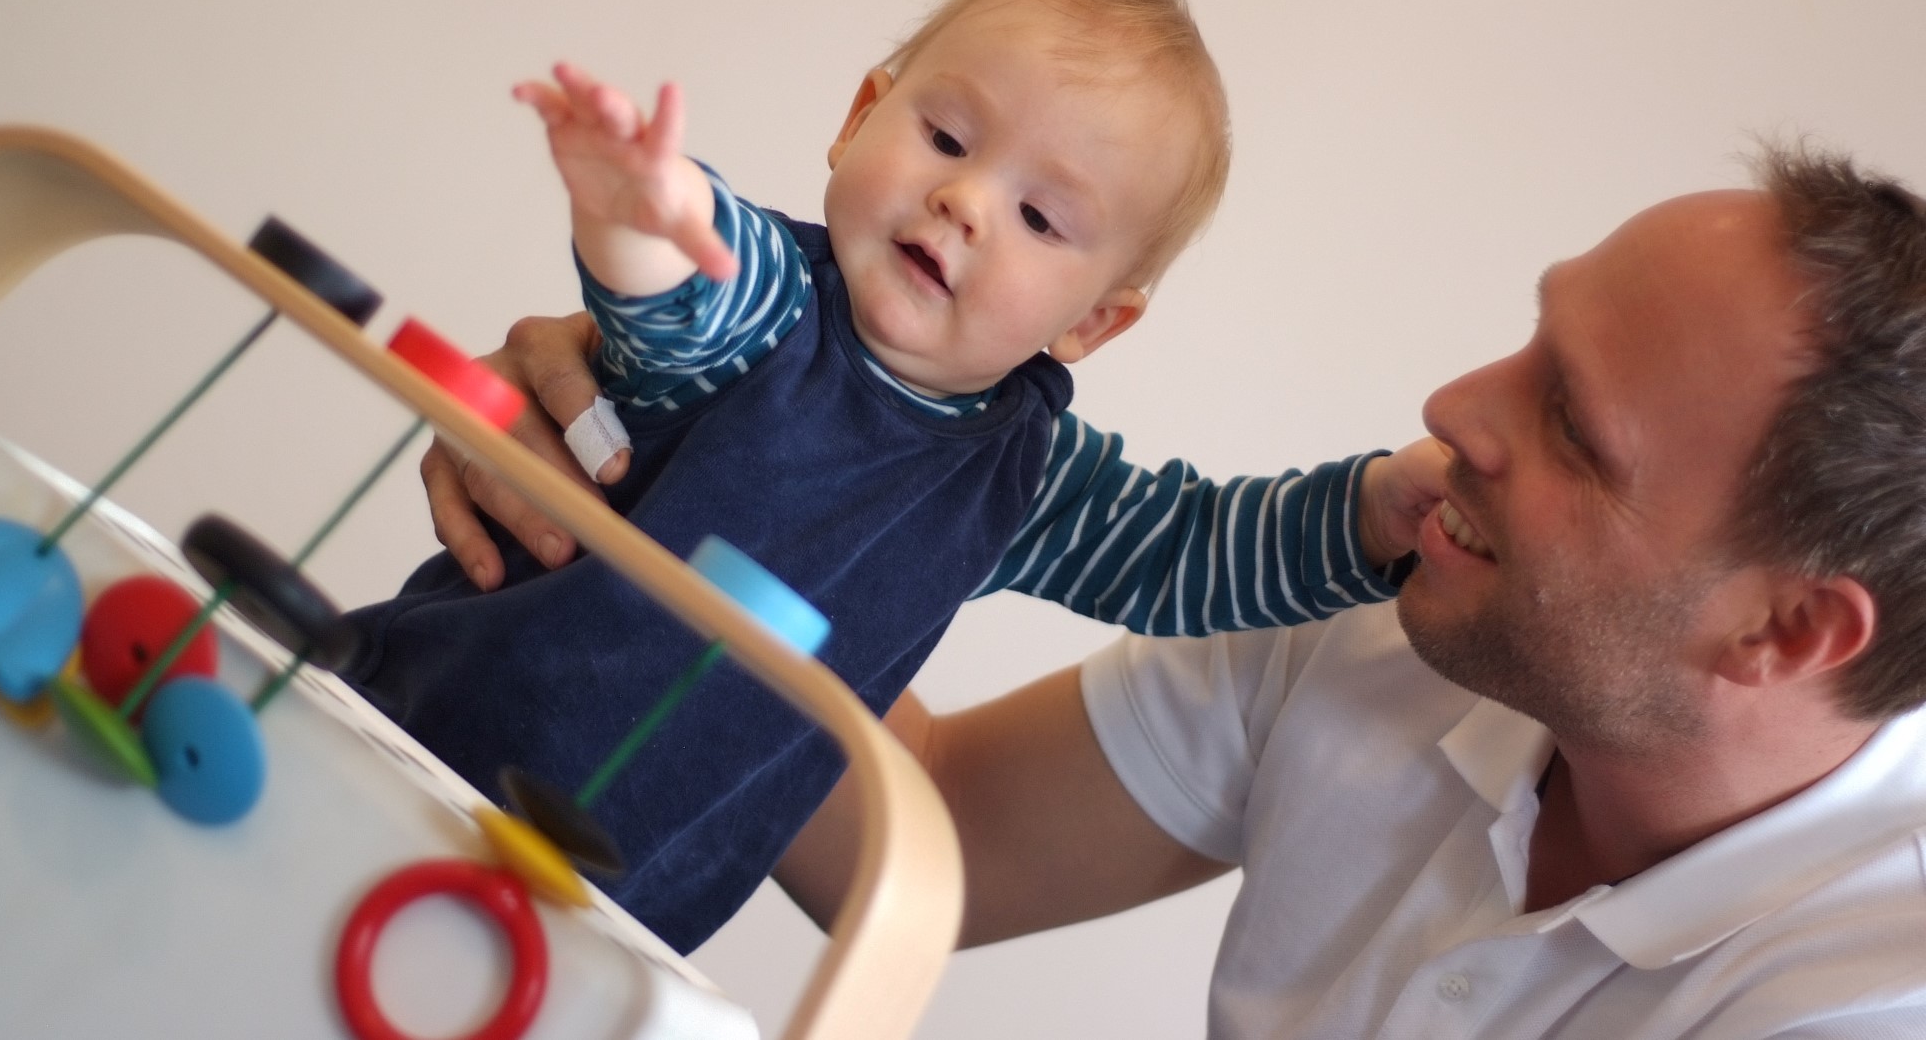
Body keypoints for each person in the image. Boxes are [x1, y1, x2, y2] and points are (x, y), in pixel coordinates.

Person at [442, 145, 1926, 1035]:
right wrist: (700, 483)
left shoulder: (1874, 991)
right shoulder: (1409, 619)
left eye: (1571, 429)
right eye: (1527, 346)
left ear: (1786, 628)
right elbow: (933, 826)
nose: (1459, 403)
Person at [343, 0, 1444, 952]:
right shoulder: (774, 304)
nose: (962, 200)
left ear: (1091, 324)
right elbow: (682, 284)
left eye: (1039, 218)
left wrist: (1365, 512)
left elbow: (1188, 549)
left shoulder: (1023, 477)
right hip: (404, 738)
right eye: (947, 139)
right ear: (860, 115)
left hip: (609, 906)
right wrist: (633, 210)